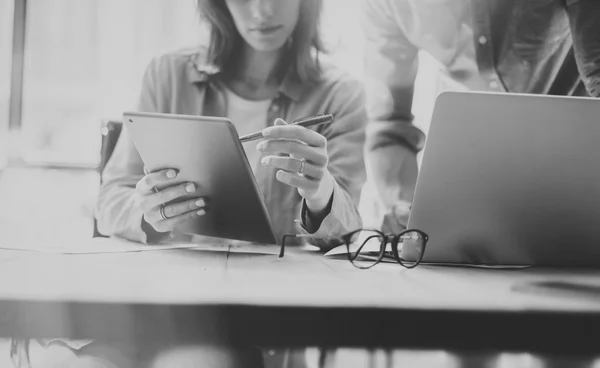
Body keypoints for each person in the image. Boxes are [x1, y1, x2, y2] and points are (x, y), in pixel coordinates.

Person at [11, 0, 367, 367]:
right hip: (155, 304)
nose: (262, 11)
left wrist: (319, 190)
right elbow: (111, 201)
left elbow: (346, 233)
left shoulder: (340, 95)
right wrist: (148, 213)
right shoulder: (168, 74)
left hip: (252, 323)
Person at [362, 0, 600, 233]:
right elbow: (389, 125)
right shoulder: (387, 5)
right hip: (486, 187)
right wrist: (410, 213)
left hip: (580, 168)